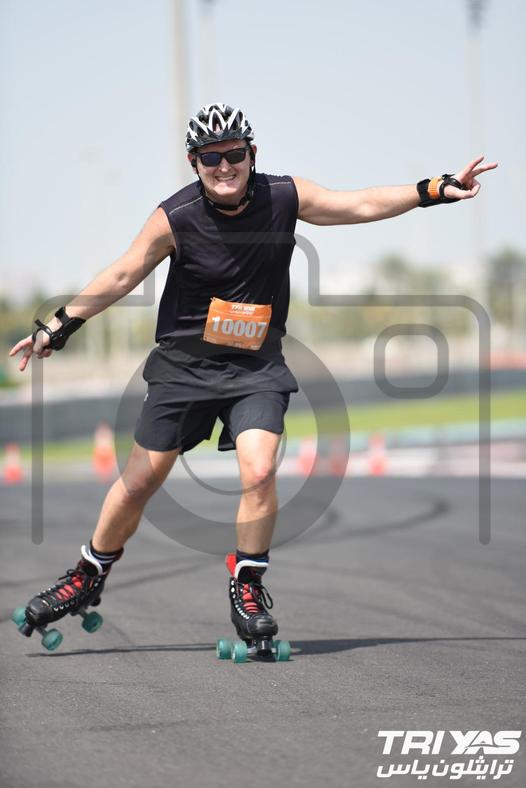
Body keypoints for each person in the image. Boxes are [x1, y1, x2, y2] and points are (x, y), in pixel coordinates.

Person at [10, 103, 497, 651]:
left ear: (251, 153)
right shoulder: (175, 217)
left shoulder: (284, 196)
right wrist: (59, 325)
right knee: (141, 481)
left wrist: (433, 189)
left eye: (234, 154)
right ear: (194, 163)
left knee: (260, 470)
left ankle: (247, 584)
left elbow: (357, 204)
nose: (224, 166)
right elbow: (123, 273)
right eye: (210, 157)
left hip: (255, 367)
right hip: (184, 368)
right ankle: (87, 573)